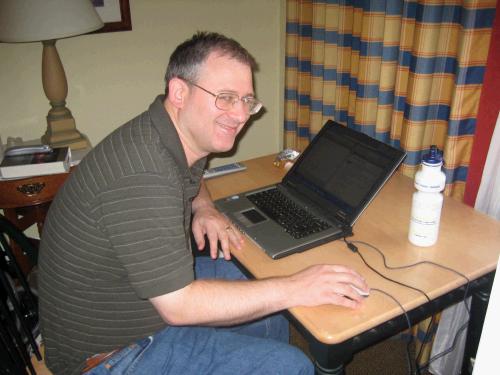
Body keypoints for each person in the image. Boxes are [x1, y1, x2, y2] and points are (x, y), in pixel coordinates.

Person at [38, 31, 369, 375]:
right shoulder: (143, 173)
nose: (241, 115)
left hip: (132, 299)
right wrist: (295, 288)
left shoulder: (170, 133)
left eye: (247, 101)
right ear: (180, 92)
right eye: (225, 98)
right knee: (292, 364)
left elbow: (193, 176)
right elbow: (178, 306)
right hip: (110, 354)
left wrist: (205, 207)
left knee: (252, 279)